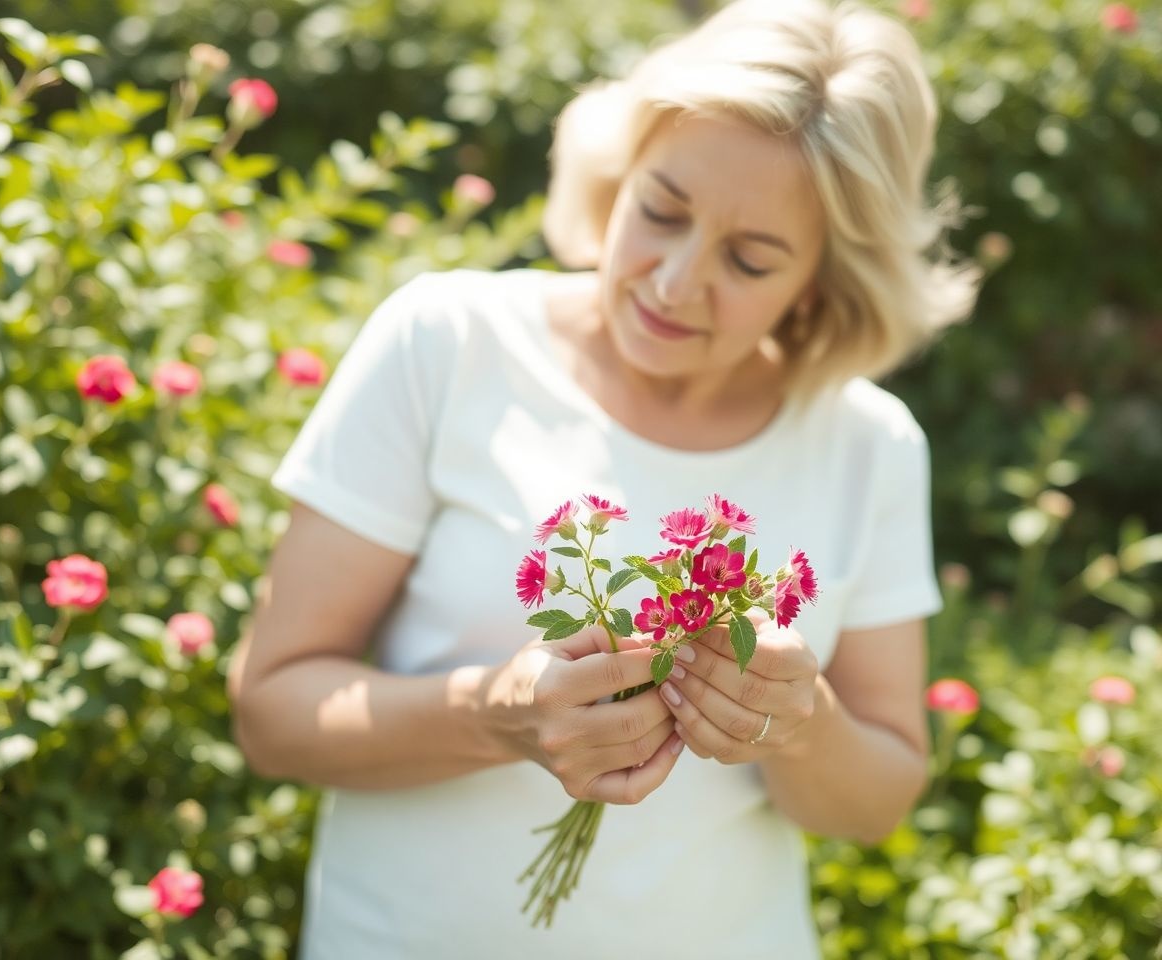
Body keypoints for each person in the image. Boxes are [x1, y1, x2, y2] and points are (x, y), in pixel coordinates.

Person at [227, 0, 979, 955]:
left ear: (825, 281)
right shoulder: (448, 343)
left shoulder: (868, 443)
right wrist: (497, 715)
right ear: (617, 173)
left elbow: (876, 801)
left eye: (750, 259)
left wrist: (798, 723)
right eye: (659, 211)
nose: (673, 282)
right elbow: (272, 715)